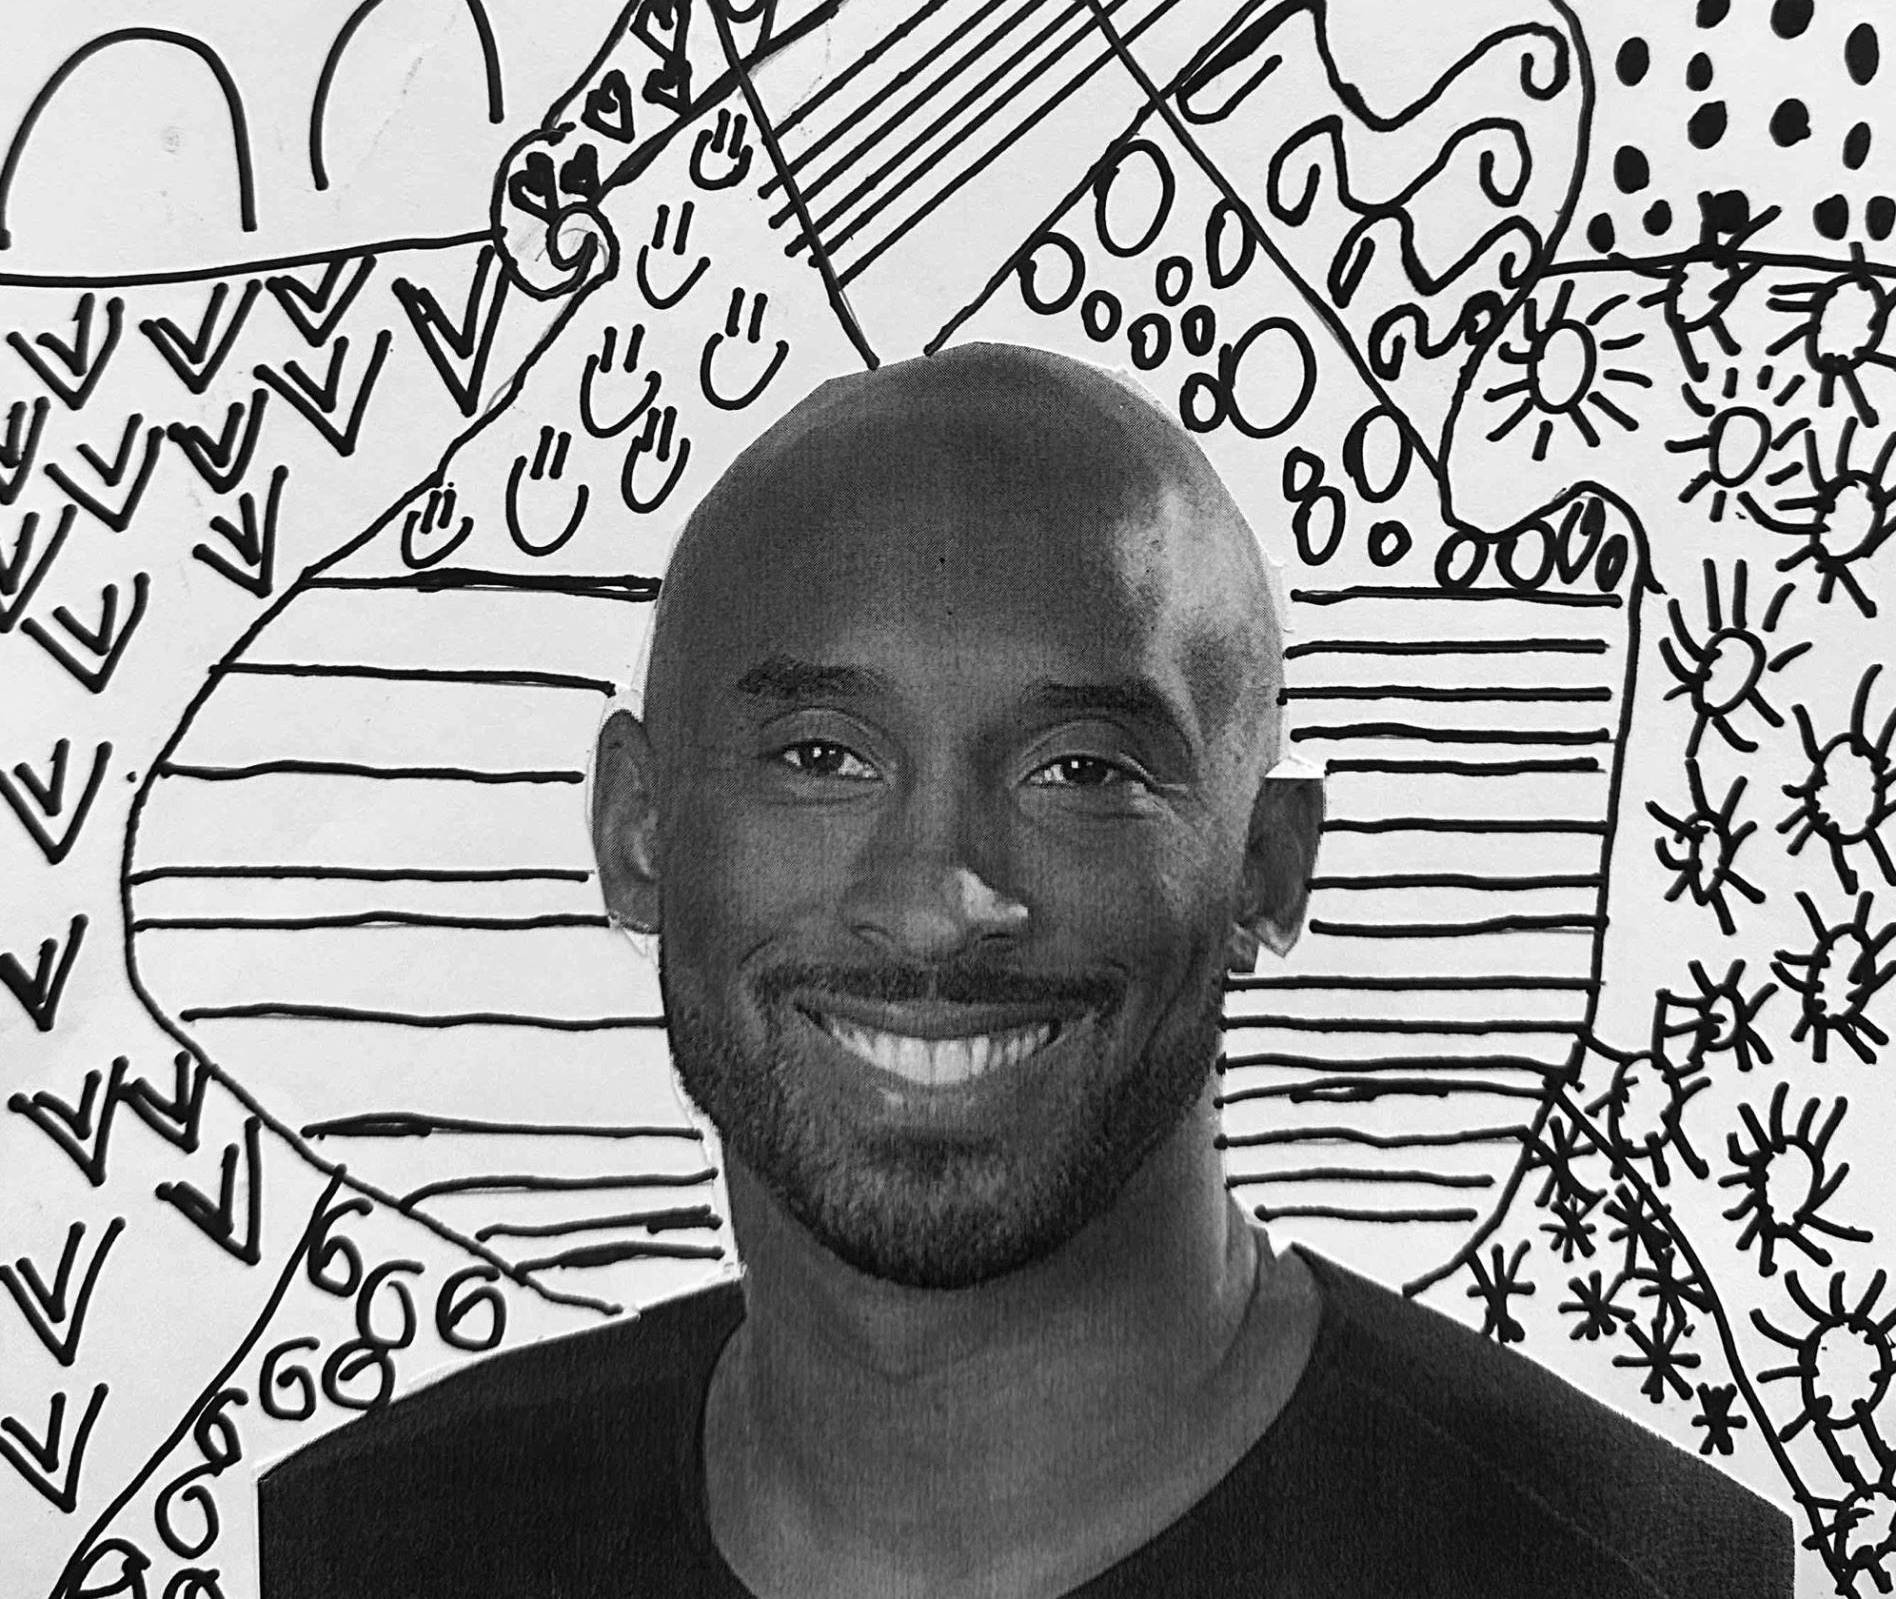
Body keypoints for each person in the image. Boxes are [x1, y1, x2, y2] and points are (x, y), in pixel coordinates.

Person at [259, 344, 1791, 1597]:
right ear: (637, 834)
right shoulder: (374, 1548)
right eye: (821, 757)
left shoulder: (1629, 1571)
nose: (939, 905)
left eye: (1081, 771)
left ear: (1268, 869)